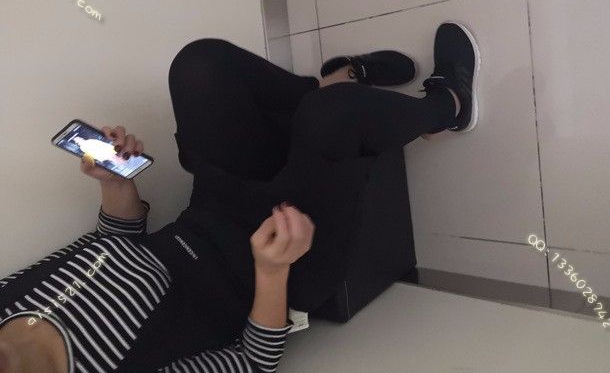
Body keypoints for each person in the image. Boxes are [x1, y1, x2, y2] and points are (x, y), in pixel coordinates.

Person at [0, 22, 479, 372]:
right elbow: (252, 363)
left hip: (208, 213)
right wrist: (272, 271)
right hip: (277, 261)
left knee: (199, 65)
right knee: (331, 116)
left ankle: (328, 85)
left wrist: (114, 181)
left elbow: (114, 244)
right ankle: (448, 105)